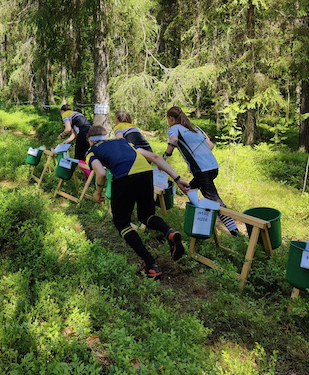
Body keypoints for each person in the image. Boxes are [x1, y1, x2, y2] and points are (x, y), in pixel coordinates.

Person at [86, 125, 190, 278]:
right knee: (146, 216)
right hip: (146, 173)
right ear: (106, 137)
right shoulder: (124, 142)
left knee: (122, 224)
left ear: (91, 141)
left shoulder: (91, 151)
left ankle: (151, 265)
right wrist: (177, 179)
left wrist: (97, 192)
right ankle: (170, 232)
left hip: (123, 177)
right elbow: (154, 157)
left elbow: (101, 173)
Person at [163, 106, 239, 236]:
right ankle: (200, 219)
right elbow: (210, 145)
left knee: (215, 201)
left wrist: (165, 157)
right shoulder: (194, 129)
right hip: (212, 167)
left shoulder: (173, 128)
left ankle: (235, 232)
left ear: (171, 118)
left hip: (202, 170)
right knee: (189, 189)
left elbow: (174, 140)